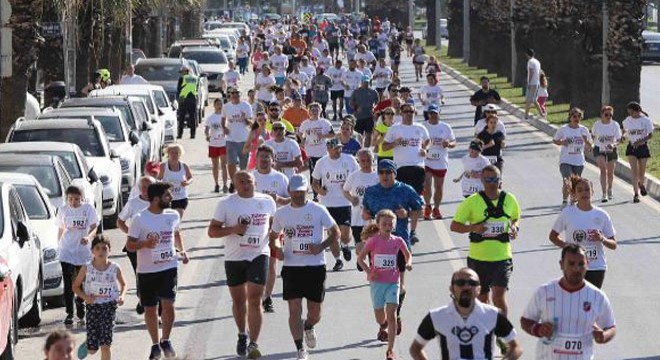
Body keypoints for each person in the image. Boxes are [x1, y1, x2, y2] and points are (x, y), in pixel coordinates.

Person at [450, 165, 520, 352]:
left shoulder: (510, 199)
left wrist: (514, 228)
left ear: (500, 180)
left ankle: (503, 336)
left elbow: (515, 218)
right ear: (482, 181)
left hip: (502, 256)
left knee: (498, 296)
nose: (491, 183)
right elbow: (455, 226)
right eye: (487, 179)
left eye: (494, 179)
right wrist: (473, 228)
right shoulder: (472, 202)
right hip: (478, 259)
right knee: (482, 300)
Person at [269, 174, 341, 360]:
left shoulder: (318, 210)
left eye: (302, 192)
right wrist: (277, 248)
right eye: (295, 192)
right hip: (292, 267)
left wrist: (321, 246)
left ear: (306, 190)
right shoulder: (281, 213)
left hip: (315, 266)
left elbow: (336, 232)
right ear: (290, 192)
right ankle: (300, 348)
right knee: (294, 310)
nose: (299, 195)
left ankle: (308, 326)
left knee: (315, 313)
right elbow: (273, 235)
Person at [208, 171, 276, 358]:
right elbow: (212, 232)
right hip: (235, 257)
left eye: (249, 181)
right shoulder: (226, 204)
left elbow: (274, 224)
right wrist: (233, 230)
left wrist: (275, 240)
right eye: (242, 181)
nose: (246, 184)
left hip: (259, 254)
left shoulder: (267, 201)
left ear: (255, 182)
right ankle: (242, 334)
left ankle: (253, 343)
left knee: (254, 298)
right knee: (239, 301)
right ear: (235, 184)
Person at [126, 182, 190, 360]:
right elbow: (129, 245)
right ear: (156, 199)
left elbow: (176, 234)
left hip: (168, 267)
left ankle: (166, 339)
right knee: (150, 309)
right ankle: (155, 344)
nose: (171, 198)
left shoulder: (173, 215)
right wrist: (144, 244)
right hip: (146, 270)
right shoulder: (140, 218)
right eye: (167, 196)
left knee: (168, 304)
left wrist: (182, 250)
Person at [520, 244, 616, 359]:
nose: (576, 269)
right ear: (561, 264)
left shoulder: (597, 296)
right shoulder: (545, 292)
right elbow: (526, 320)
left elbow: (611, 327)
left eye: (581, 264)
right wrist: (538, 329)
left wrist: (604, 336)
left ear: (587, 265)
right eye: (571, 263)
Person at [362, 160, 424, 331]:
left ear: (394, 174)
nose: (385, 175)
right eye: (381, 172)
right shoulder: (371, 191)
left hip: (398, 242)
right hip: (377, 246)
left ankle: (395, 315)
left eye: (388, 172)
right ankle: (384, 321)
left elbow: (420, 209)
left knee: (399, 285)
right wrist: (366, 214)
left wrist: (408, 213)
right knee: (378, 284)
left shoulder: (406, 190)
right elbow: (365, 212)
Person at [409, 268, 523, 360]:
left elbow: (516, 347)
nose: (467, 287)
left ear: (479, 289)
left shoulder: (493, 314)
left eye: (472, 283)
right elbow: (415, 349)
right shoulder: (436, 316)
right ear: (452, 289)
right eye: (460, 283)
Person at [357, 210, 412, 360]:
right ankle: (383, 325)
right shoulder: (373, 241)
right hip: (377, 283)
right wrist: (369, 271)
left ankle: (390, 350)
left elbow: (408, 254)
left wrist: (408, 264)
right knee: (380, 316)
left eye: (390, 224)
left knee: (392, 315)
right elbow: (360, 259)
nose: (387, 227)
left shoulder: (398, 240)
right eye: (384, 224)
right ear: (379, 225)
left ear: (394, 226)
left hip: (393, 282)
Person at [549, 177, 617, 289]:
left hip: (596, 267)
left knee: (590, 302)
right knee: (574, 299)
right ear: (575, 194)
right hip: (573, 266)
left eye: (587, 189)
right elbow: (553, 236)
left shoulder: (601, 215)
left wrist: (602, 239)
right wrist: (569, 247)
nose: (584, 193)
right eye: (580, 190)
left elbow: (614, 244)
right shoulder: (568, 213)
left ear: (592, 191)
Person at [73, 235, 127, 360]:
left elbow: (124, 284)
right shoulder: (87, 267)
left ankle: (99, 342)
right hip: (92, 306)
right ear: (92, 251)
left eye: (104, 248)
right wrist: (85, 297)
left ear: (110, 251)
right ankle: (89, 344)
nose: (101, 251)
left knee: (105, 344)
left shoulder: (115, 268)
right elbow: (75, 287)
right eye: (97, 248)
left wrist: (122, 296)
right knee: (92, 350)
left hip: (109, 306)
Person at [251, 146, 291, 312]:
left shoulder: (281, 178)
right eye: (262, 157)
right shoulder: (250, 177)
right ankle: (254, 295)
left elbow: (293, 200)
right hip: (253, 228)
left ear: (273, 160)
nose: (264, 160)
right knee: (254, 263)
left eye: (268, 157)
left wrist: (280, 199)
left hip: (274, 227)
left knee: (272, 264)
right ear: (257, 158)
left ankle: (267, 297)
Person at [382, 103, 429, 243]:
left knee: (415, 203)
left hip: (418, 167)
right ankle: (401, 229)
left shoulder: (420, 128)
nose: (409, 113)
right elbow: (384, 147)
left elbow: (428, 140)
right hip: (401, 169)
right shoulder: (395, 129)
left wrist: (425, 149)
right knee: (400, 202)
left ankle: (413, 232)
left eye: (412, 111)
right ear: (401, 113)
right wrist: (394, 143)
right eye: (406, 111)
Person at [312, 138, 359, 271]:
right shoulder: (321, 163)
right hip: (328, 203)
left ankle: (344, 245)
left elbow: (357, 177)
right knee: (332, 234)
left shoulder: (349, 160)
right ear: (328, 149)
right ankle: (338, 260)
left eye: (339, 147)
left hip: (345, 201)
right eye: (335, 148)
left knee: (344, 232)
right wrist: (319, 190)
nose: (338, 150)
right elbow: (314, 182)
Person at [57, 185, 99, 325]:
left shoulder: (88, 209)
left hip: (83, 252)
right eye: (70, 199)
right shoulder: (63, 210)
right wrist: (58, 245)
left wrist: (88, 237)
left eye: (76, 199)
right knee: (69, 282)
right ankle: (69, 313)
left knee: (82, 281)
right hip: (67, 250)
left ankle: (80, 300)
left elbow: (94, 227)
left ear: (82, 198)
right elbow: (61, 228)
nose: (73, 202)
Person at [117, 176, 154, 315]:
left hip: (154, 245)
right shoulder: (133, 203)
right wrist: (130, 233)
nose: (146, 190)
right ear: (139, 188)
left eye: (149, 186)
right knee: (140, 274)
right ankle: (142, 298)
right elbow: (120, 221)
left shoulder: (158, 201)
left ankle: (153, 303)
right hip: (135, 246)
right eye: (143, 187)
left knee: (155, 275)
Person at [343, 148, 379, 263]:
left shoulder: (377, 177)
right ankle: (361, 259)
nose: (366, 163)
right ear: (358, 161)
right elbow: (345, 190)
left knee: (373, 246)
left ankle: (371, 266)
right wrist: (351, 199)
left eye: (368, 160)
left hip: (373, 218)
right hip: (357, 218)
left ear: (372, 160)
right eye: (362, 161)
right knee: (360, 246)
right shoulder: (354, 176)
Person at [552, 107, 592, 208]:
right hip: (566, 160)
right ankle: (565, 201)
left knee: (575, 183)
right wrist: (562, 142)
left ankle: (573, 200)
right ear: (570, 117)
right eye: (574, 116)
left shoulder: (584, 130)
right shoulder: (564, 129)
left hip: (579, 161)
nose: (576, 118)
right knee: (567, 180)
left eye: (579, 116)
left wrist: (586, 141)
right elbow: (555, 140)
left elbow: (590, 146)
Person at [422, 105, 456, 220]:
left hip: (441, 160)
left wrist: (449, 144)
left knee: (439, 186)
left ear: (439, 114)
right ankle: (427, 206)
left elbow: (453, 142)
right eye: (431, 113)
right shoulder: (423, 126)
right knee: (426, 185)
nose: (433, 115)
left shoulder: (445, 127)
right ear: (428, 114)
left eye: (435, 113)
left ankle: (436, 208)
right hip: (427, 160)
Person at [298, 102, 334, 195]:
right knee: (313, 173)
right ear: (309, 112)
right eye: (312, 110)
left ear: (320, 111)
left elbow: (333, 134)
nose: (314, 112)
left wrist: (323, 136)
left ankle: (323, 190)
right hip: (311, 152)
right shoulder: (305, 123)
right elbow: (299, 133)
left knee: (323, 172)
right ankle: (315, 193)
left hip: (323, 152)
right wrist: (302, 141)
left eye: (316, 110)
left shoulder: (325, 122)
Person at [222, 88, 254, 190]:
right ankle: (233, 182)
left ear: (240, 94)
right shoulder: (226, 106)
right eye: (233, 93)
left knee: (243, 165)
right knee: (231, 163)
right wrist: (224, 127)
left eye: (237, 93)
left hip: (244, 139)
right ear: (230, 95)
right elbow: (223, 119)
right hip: (230, 139)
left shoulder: (246, 106)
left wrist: (245, 119)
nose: (235, 95)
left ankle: (242, 183)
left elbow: (251, 123)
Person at [622, 101, 653, 203]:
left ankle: (641, 184)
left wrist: (640, 141)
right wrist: (623, 136)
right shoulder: (627, 120)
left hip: (642, 147)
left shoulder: (646, 120)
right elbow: (626, 131)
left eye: (631, 112)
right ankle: (636, 194)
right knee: (634, 171)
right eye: (628, 112)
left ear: (637, 111)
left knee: (641, 172)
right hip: (632, 148)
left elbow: (650, 135)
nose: (630, 114)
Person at [591, 105, 622, 202]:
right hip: (599, 149)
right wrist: (591, 143)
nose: (608, 116)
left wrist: (614, 144)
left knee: (610, 172)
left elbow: (619, 139)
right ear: (602, 114)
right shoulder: (597, 124)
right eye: (606, 114)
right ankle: (604, 193)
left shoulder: (615, 125)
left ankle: (610, 189)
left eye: (610, 115)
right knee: (603, 170)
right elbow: (592, 135)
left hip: (611, 149)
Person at [158, 144, 193, 218]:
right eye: (172, 153)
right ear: (168, 153)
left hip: (181, 197)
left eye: (176, 153)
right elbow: (158, 179)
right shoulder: (163, 166)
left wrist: (187, 182)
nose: (174, 155)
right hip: (167, 199)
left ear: (180, 154)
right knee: (167, 222)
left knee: (176, 220)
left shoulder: (184, 165)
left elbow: (190, 177)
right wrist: (163, 186)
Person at [205, 98, 229, 193]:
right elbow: (206, 129)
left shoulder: (225, 117)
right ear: (214, 106)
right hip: (213, 144)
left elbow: (229, 128)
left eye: (221, 104)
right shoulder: (211, 118)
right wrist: (207, 135)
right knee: (215, 165)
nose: (219, 106)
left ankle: (225, 184)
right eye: (217, 104)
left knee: (224, 165)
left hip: (223, 143)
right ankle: (216, 184)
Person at [351, 75, 380, 147]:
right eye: (364, 82)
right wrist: (356, 107)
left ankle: (366, 149)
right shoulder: (356, 91)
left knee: (369, 133)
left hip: (369, 115)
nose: (366, 83)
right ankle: (359, 148)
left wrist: (374, 107)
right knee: (359, 134)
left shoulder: (373, 91)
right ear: (361, 82)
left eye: (367, 82)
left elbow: (377, 101)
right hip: (358, 116)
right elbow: (351, 102)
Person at [176, 67, 199, 139]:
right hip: (192, 98)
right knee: (192, 117)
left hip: (183, 99)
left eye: (182, 72)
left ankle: (180, 134)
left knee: (182, 118)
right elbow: (196, 88)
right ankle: (193, 134)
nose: (181, 74)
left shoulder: (182, 78)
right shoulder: (195, 78)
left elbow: (178, 89)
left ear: (186, 72)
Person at [524, 48, 542, 119]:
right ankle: (542, 114)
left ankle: (526, 116)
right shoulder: (537, 61)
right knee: (534, 100)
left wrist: (529, 82)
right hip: (537, 82)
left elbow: (531, 72)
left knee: (528, 100)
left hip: (532, 83)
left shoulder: (530, 62)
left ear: (527, 54)